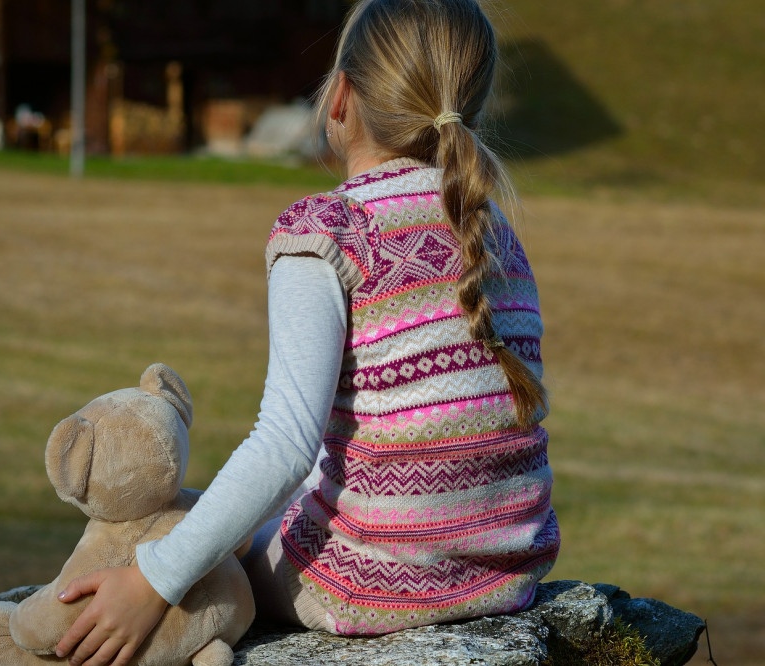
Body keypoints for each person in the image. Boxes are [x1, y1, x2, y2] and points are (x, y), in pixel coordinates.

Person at [53, 1, 559, 664]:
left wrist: (154, 579)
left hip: (361, 585)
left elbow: (285, 444)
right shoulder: (496, 235)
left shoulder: (329, 230)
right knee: (223, 520)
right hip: (507, 574)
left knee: (184, 548)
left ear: (341, 95)